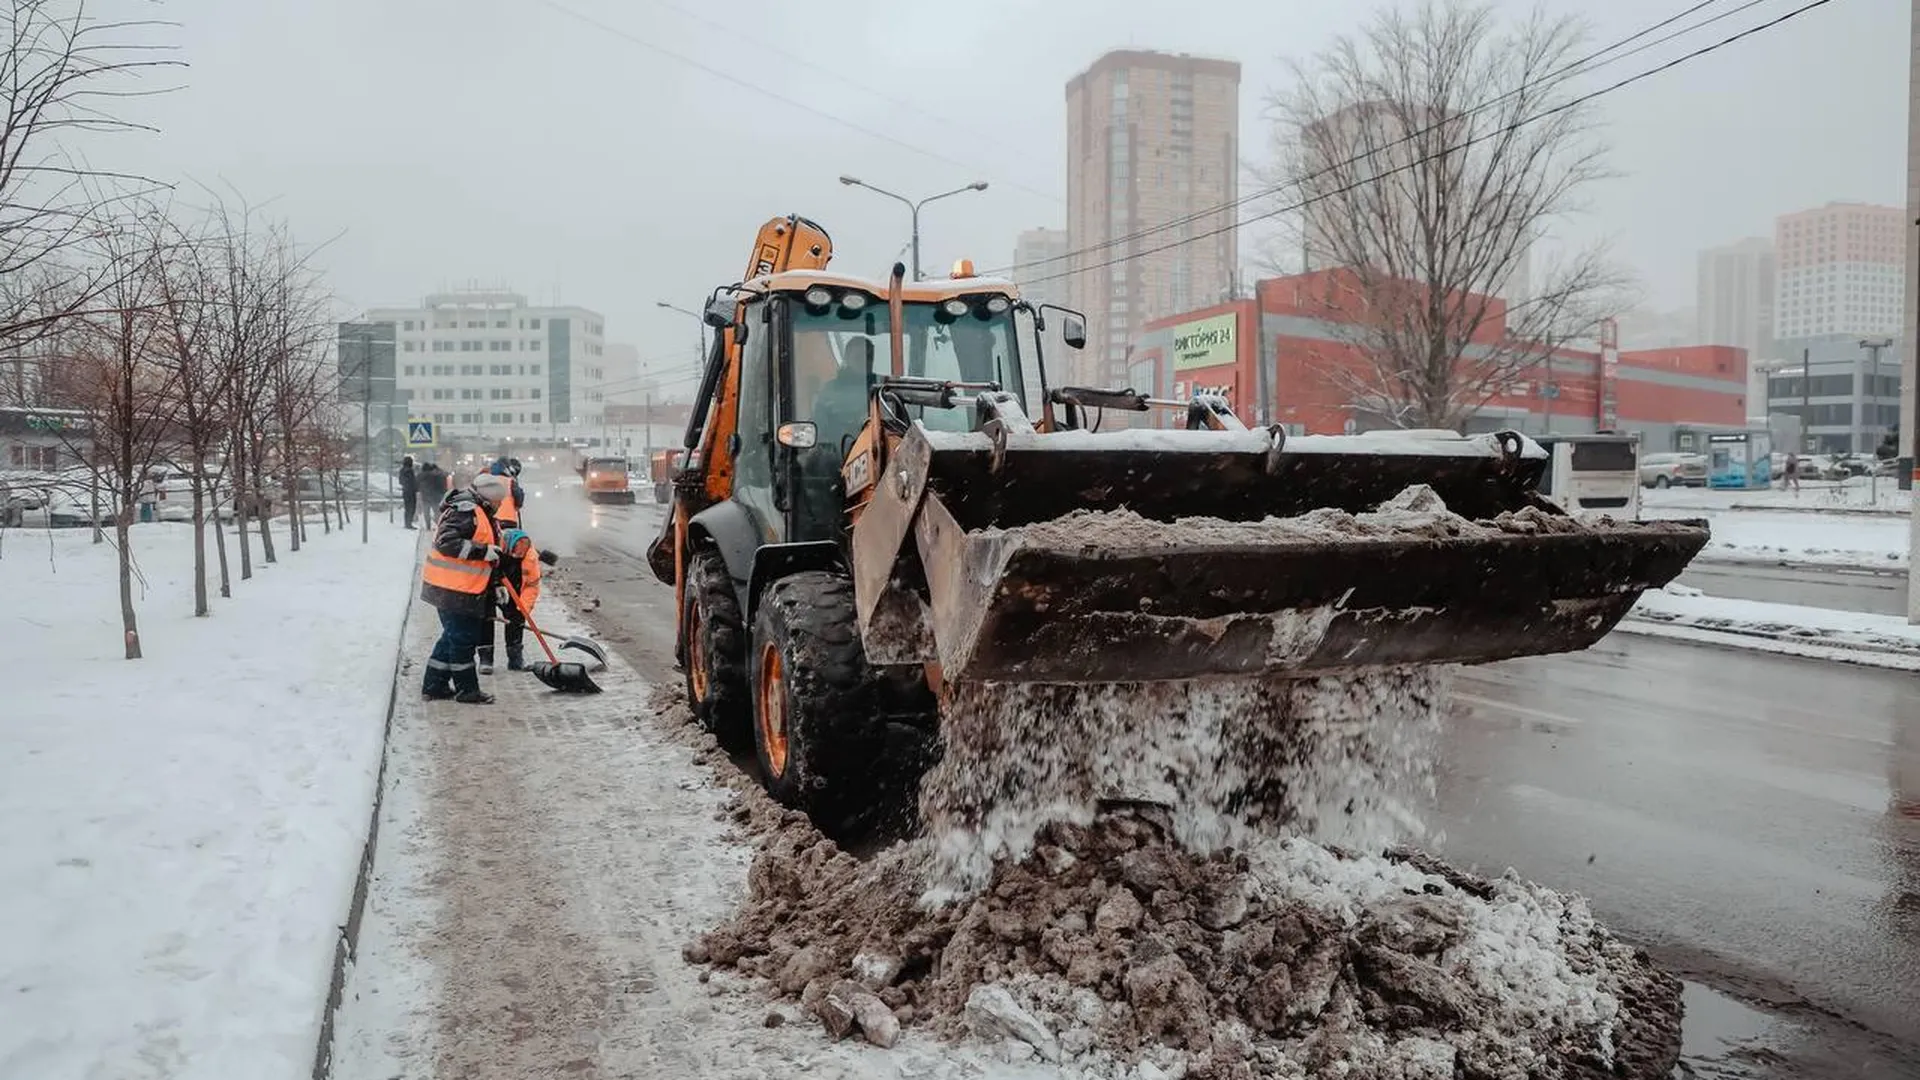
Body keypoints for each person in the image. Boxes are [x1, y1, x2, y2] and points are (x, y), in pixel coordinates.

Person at [419, 472, 512, 705]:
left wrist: (497, 584)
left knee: (452, 638)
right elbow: (447, 542)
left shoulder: (483, 513)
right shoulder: (465, 511)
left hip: (463, 588)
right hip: (453, 589)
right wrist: (480, 550)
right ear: (488, 498)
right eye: (498, 502)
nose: (500, 506)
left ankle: (435, 685)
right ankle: (467, 690)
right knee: (463, 640)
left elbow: (493, 556)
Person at [479, 527, 542, 673]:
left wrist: (522, 610)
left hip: (515, 591)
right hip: (491, 588)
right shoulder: (495, 552)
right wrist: (496, 584)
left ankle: (515, 660)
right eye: (515, 553)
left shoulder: (531, 559)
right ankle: (486, 659)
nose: (518, 556)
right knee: (486, 618)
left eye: (521, 554)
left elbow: (532, 587)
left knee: (517, 620)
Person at [485, 456, 526, 528]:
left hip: (491, 519)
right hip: (509, 520)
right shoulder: (510, 481)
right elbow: (519, 499)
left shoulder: (488, 480)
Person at [397, 456, 419, 529]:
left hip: (407, 491)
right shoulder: (408, 470)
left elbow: (401, 481)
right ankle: (408, 524)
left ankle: (408, 523)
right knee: (410, 508)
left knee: (409, 508)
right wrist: (413, 487)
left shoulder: (404, 470)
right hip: (409, 492)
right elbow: (409, 481)